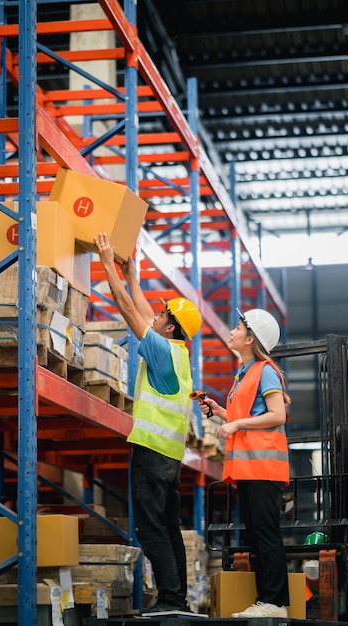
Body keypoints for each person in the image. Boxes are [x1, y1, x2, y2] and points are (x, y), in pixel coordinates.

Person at [94, 232, 202, 614]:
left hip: (153, 454)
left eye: (161, 315)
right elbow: (141, 309)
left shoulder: (160, 349)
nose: (154, 316)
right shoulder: (177, 352)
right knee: (168, 527)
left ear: (169, 327)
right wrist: (132, 273)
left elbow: (127, 310)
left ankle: (171, 598)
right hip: (168, 457)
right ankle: (177, 597)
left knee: (151, 528)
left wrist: (107, 264)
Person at [199, 308, 291, 618]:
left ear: (250, 338)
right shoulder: (243, 374)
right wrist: (221, 412)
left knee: (265, 533)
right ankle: (266, 600)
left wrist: (236, 425)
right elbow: (248, 416)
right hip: (249, 469)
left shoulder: (265, 370)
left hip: (264, 468)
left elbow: (278, 415)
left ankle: (276, 603)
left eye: (238, 327)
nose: (232, 331)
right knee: (255, 534)